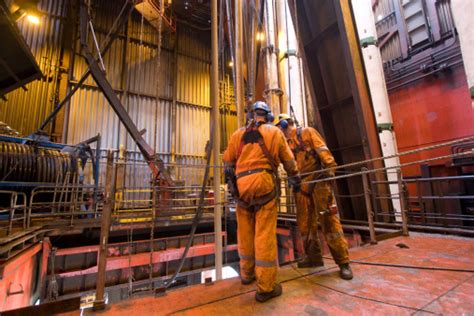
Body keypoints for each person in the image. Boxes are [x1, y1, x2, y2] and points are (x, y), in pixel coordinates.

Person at [223, 102, 301, 302]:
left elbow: (228, 161)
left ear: (251, 115)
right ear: (267, 115)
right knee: (264, 234)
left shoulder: (237, 135)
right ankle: (266, 287)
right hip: (263, 184)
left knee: (245, 232)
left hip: (241, 188)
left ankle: (247, 275)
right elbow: (289, 160)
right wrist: (295, 177)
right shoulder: (274, 132)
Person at [274, 113, 353, 280]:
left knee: (329, 221)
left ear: (283, 124)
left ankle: (343, 262)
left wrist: (329, 169)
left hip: (318, 180)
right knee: (305, 223)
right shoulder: (285, 144)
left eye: (278, 128)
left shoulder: (307, 133)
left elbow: (323, 150)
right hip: (301, 184)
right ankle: (313, 257)